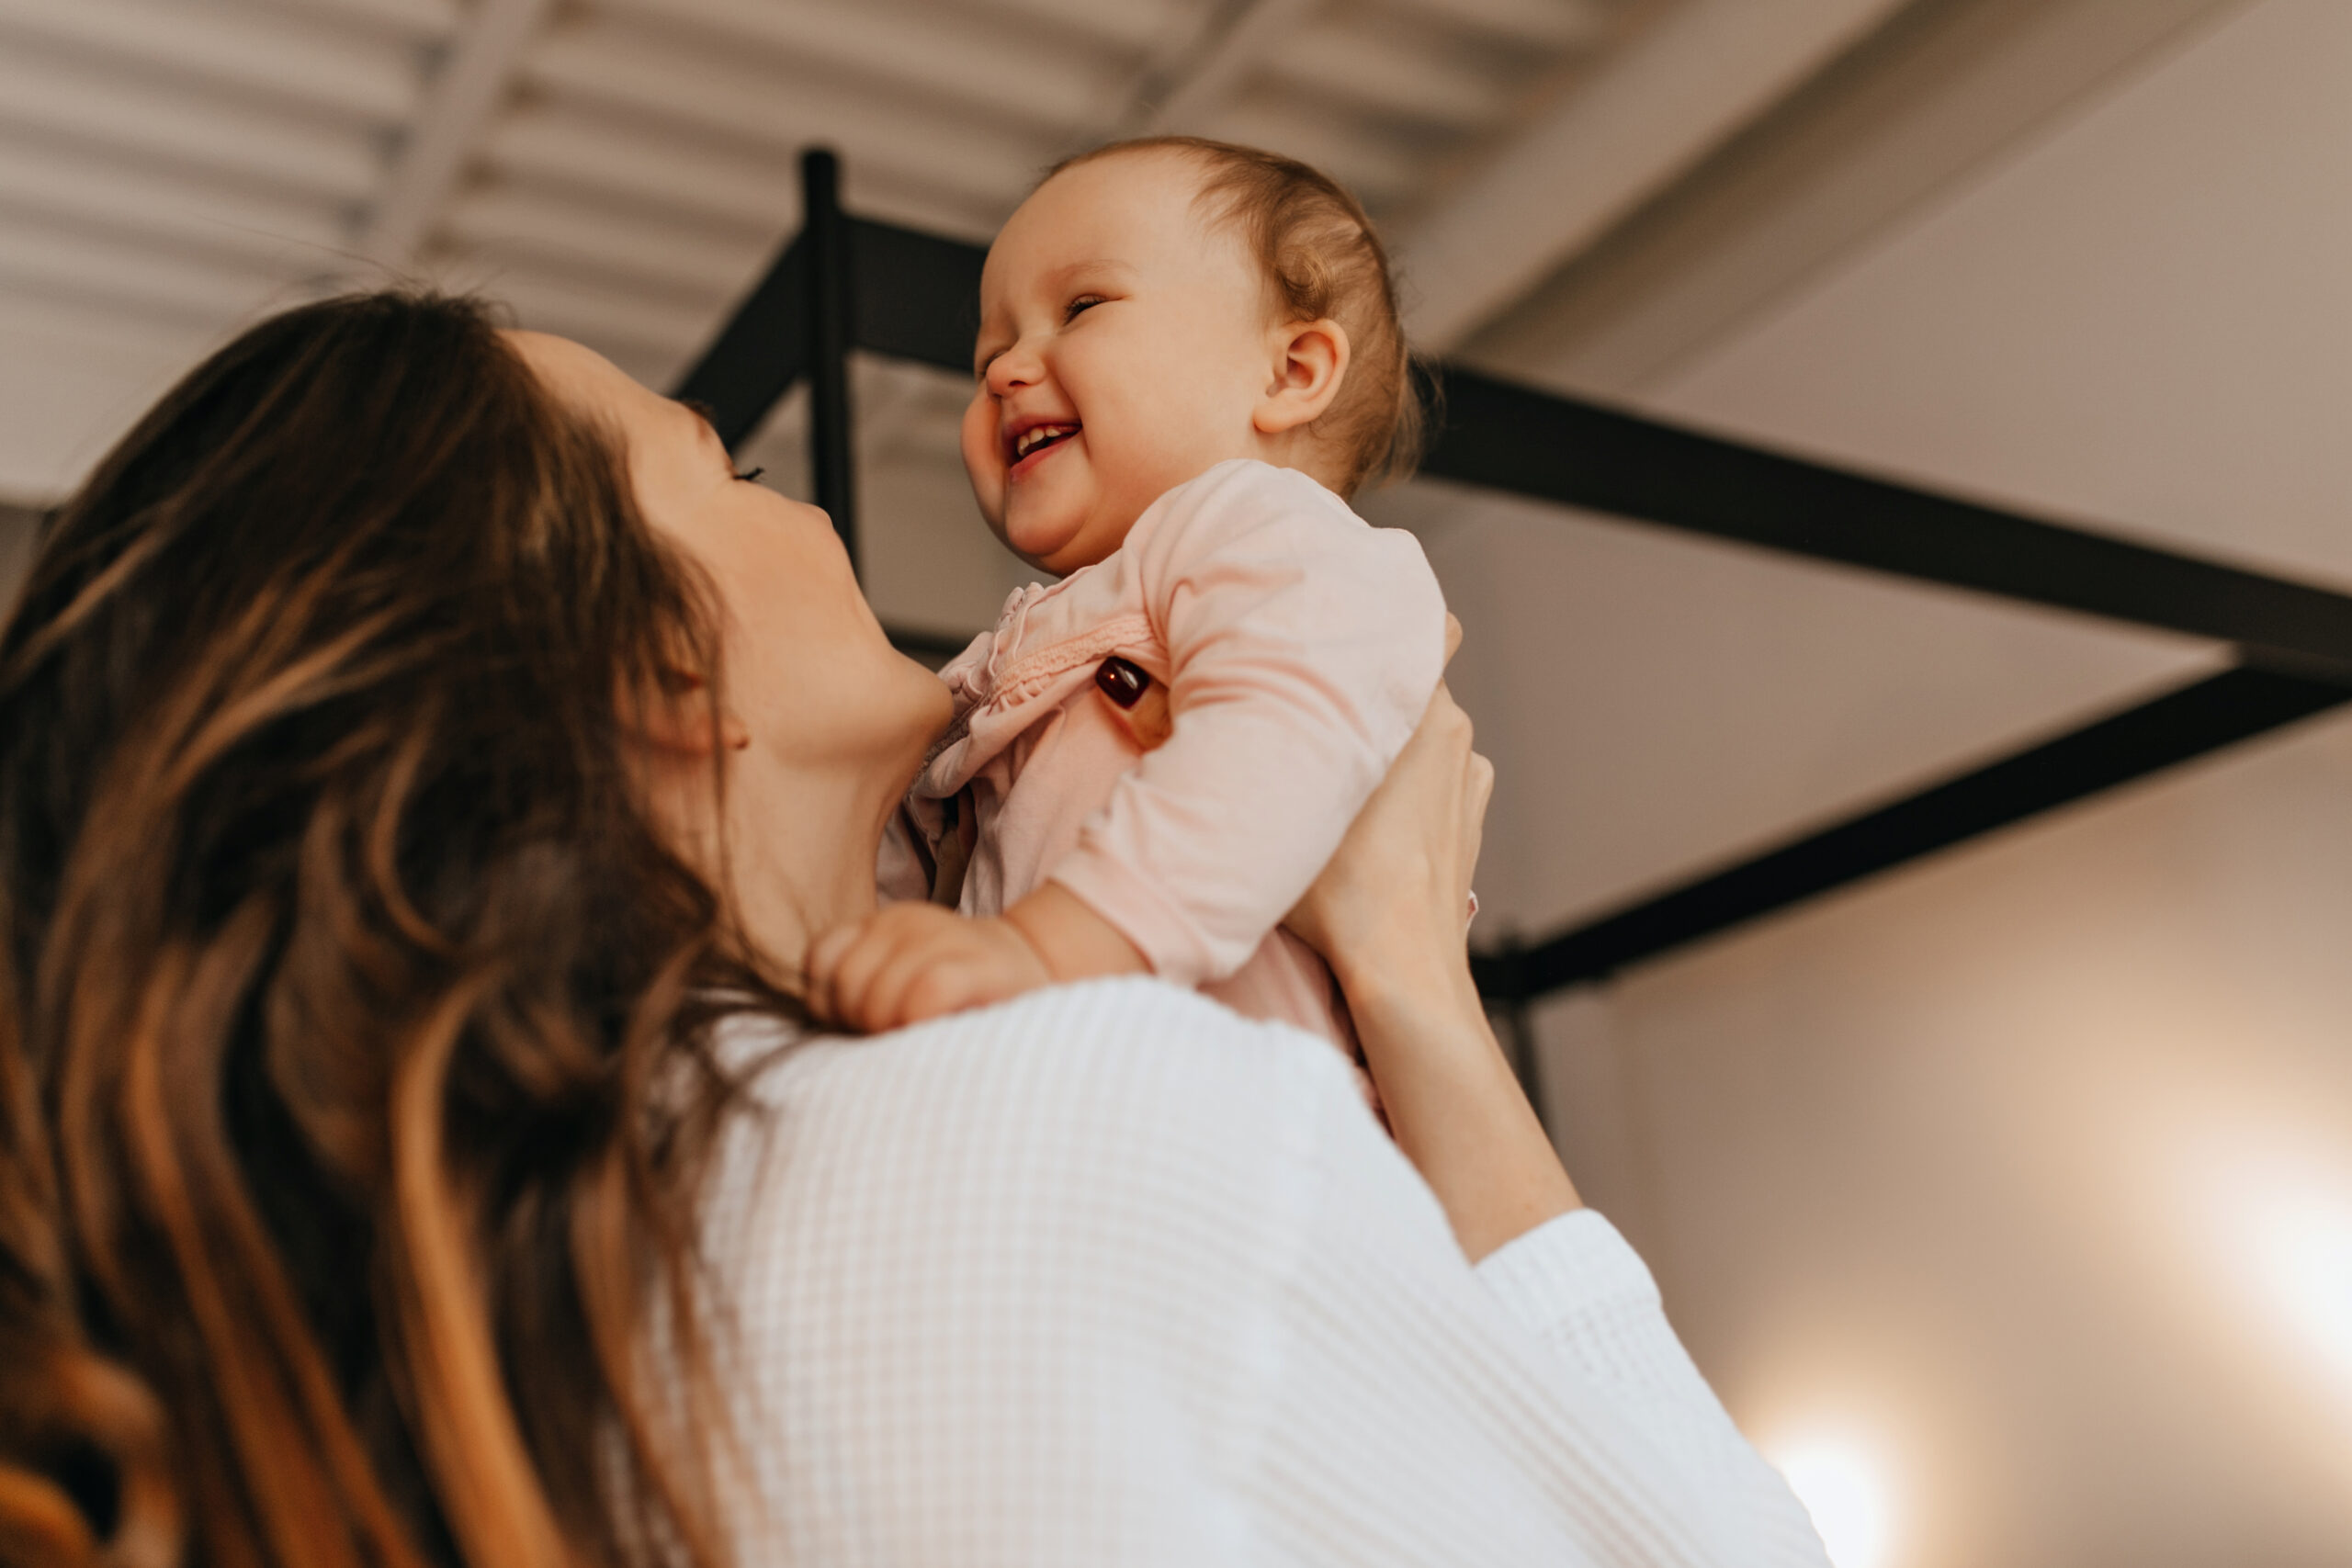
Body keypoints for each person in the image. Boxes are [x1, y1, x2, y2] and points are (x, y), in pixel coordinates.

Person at [0, 291, 1826, 1568]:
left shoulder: (427, 1333)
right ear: (654, 662)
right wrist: (1415, 987)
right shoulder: (1077, 1127)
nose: (795, 499)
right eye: (719, 468)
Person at [809, 138, 1447, 1058]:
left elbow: (1274, 744)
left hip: (1250, 1113)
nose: (1002, 370)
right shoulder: (1019, 647)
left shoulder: (1277, 537)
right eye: (990, 349)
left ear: (1290, 373)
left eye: (1081, 307)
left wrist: (1047, 946)